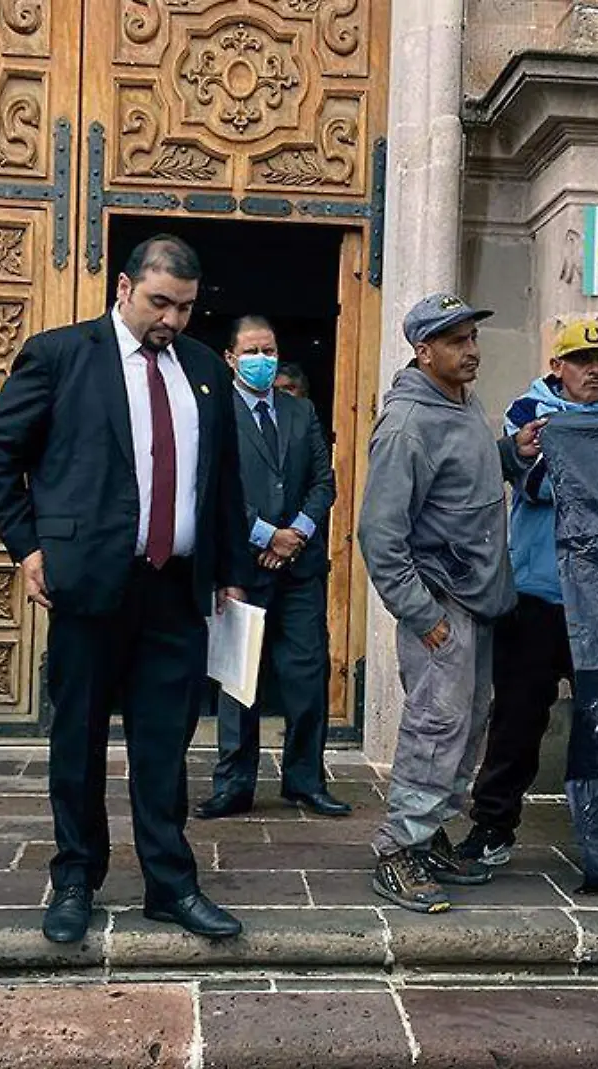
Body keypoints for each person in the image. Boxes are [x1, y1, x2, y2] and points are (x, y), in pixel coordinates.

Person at [0, 234, 248, 944]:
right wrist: (27, 544)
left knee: (165, 743)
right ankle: (74, 877)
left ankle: (171, 883)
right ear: (124, 288)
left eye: (185, 307)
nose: (173, 320)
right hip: (90, 582)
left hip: (176, 590)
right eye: (160, 302)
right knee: (80, 737)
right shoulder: (61, 354)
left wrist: (226, 572)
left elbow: (220, 478)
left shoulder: (202, 371)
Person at [357, 292, 543, 914]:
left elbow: (465, 478)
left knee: (465, 728)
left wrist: (509, 456)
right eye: (457, 341)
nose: (472, 351)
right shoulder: (408, 424)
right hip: (442, 603)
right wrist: (422, 613)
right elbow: (381, 535)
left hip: (480, 598)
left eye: (472, 337)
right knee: (436, 727)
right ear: (423, 349)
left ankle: (431, 829)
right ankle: (398, 848)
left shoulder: (461, 402)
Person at [457, 317, 598, 868]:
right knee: (516, 719)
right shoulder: (526, 411)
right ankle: (492, 827)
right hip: (537, 595)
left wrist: (581, 473)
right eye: (583, 361)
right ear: (557, 367)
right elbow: (535, 485)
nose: (596, 370)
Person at [195, 317, 348, 821]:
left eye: (271, 348)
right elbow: (212, 486)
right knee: (241, 681)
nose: (264, 358)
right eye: (253, 350)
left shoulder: (300, 411)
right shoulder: (213, 413)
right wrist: (265, 534)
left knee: (307, 674)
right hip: (243, 566)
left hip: (300, 568)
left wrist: (296, 533)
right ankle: (234, 783)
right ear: (230, 357)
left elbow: (324, 483)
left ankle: (305, 779)